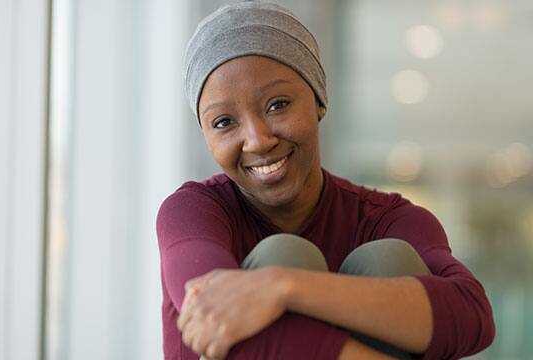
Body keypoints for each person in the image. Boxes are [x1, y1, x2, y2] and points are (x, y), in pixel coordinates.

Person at [156, 2, 495, 359]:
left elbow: (472, 315)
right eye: (224, 122)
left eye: (277, 105)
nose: (257, 140)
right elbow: (212, 310)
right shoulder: (192, 212)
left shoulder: (388, 220)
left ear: (318, 99)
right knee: (282, 255)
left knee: (387, 261)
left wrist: (284, 287)